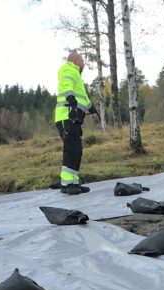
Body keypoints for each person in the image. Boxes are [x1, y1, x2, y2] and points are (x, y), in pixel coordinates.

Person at [54, 51, 98, 195]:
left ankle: (73, 181)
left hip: (74, 118)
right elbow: (67, 85)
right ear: (76, 60)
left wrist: (91, 108)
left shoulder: (76, 74)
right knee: (71, 149)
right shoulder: (67, 69)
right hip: (66, 116)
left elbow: (83, 97)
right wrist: (70, 98)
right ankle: (66, 184)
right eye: (82, 60)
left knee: (77, 151)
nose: (84, 63)